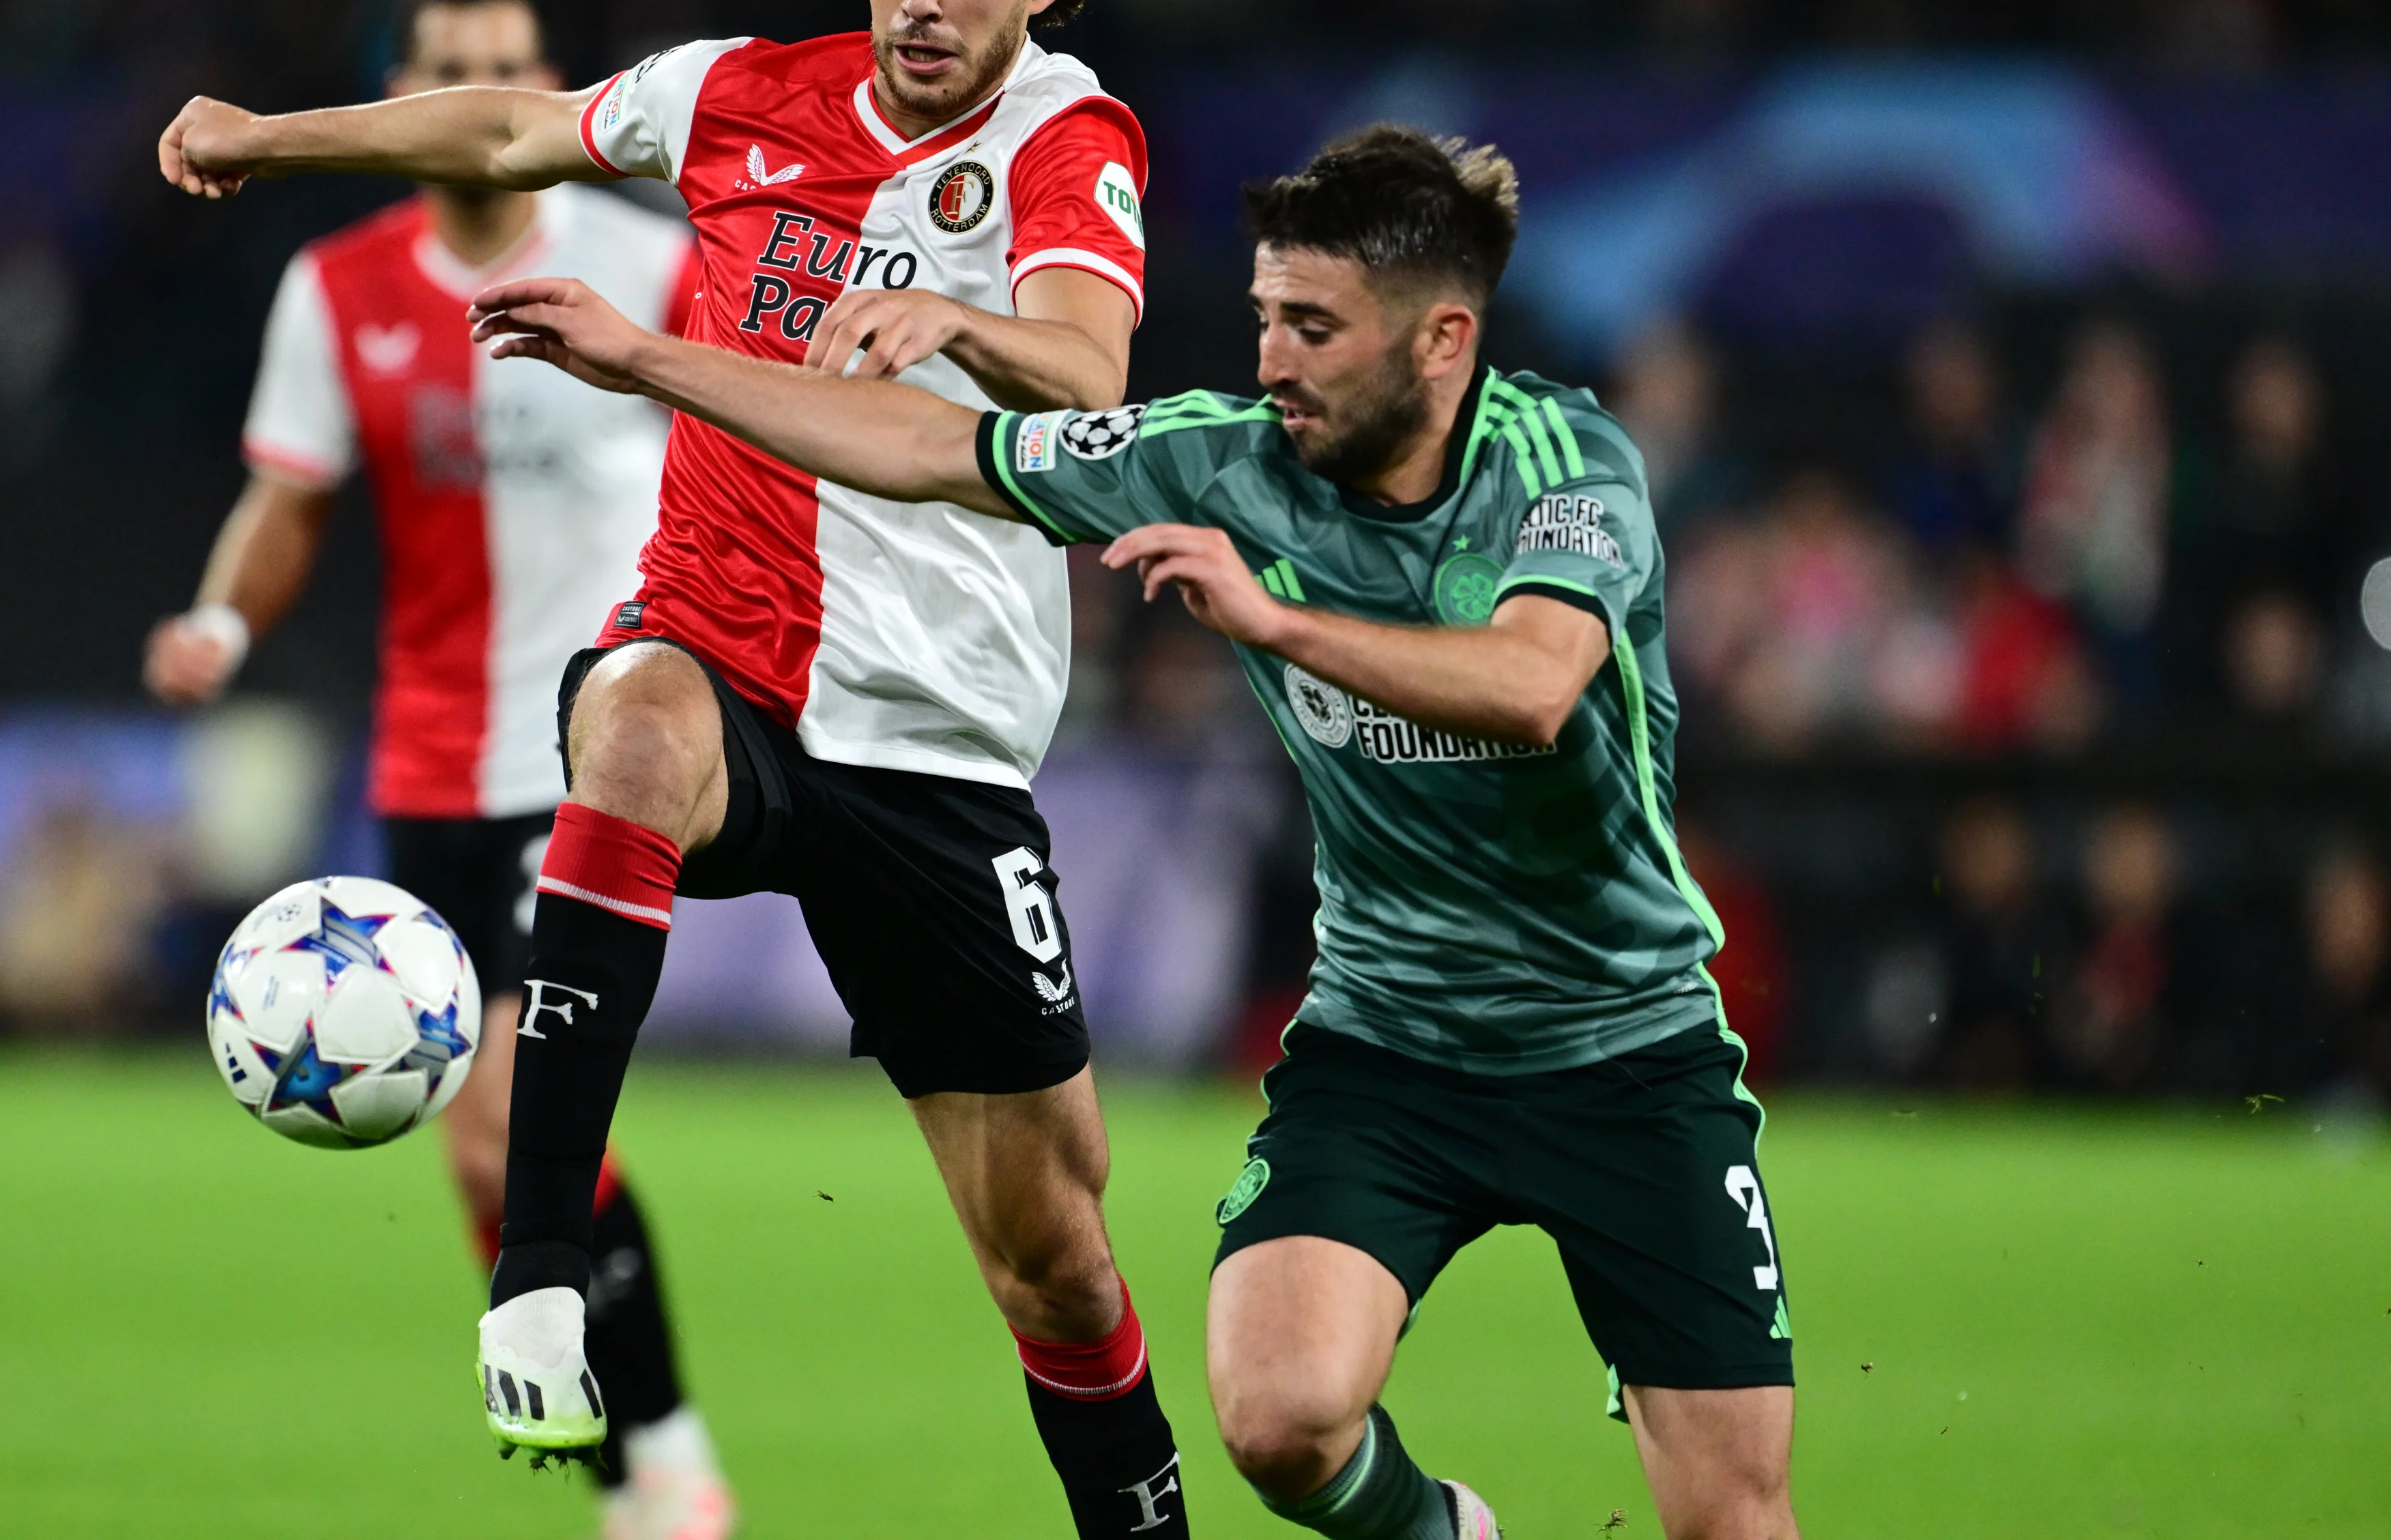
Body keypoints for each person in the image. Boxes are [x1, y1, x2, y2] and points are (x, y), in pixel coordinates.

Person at [461, 124, 1803, 1540]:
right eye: (1265, 317)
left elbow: (1534, 686)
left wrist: (1277, 619)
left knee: (1731, 1518)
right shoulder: (1227, 457)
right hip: (1391, 1050)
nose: (1272, 358)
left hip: (1625, 1051)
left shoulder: (1566, 459)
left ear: (1443, 339)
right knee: (1279, 1422)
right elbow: (932, 447)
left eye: (1314, 326)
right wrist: (651, 358)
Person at [156, 0, 1191, 1535]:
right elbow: (510, 124)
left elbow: (1089, 368)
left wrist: (963, 323)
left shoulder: (1065, 140)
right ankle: (546, 1262)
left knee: (1056, 1261)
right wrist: (274, 135)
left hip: (938, 744)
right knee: (632, 717)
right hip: (721, 653)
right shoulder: (738, 95)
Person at [142, 0, 730, 1540]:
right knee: (480, 1153)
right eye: (452, 68)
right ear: (404, 97)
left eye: (510, 67)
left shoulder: (649, 267)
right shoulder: (337, 288)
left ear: (543, 93)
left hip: (599, 744)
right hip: (427, 767)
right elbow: (289, 499)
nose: (481, 97)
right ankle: (644, 1464)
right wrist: (220, 619)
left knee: (502, 1116)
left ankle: (666, 1463)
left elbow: (757, 452)